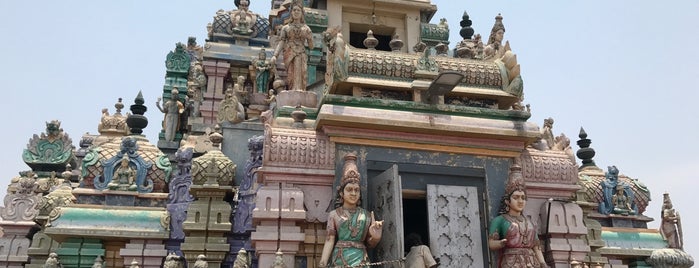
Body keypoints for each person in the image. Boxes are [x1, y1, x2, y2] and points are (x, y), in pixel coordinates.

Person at [319, 154, 383, 267]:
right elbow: (330, 240)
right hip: (340, 258)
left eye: (356, 190)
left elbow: (370, 244)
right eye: (349, 190)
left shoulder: (366, 215)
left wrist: (375, 237)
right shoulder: (334, 215)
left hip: (361, 258)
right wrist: (322, 263)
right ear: (341, 193)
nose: (353, 193)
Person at [488, 164, 547, 268]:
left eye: (523, 198)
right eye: (516, 197)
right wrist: (501, 243)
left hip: (531, 263)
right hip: (511, 263)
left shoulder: (529, 221)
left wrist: (543, 263)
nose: (520, 201)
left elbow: (536, 246)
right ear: (507, 201)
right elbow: (491, 244)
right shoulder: (500, 220)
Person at [271, 2, 314, 91]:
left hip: (301, 53)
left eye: (298, 10)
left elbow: (311, 46)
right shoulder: (286, 28)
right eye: (294, 10)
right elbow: (282, 42)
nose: (296, 12)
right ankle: (293, 90)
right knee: (291, 75)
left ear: (302, 13)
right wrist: (275, 55)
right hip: (290, 53)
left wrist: (310, 39)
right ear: (291, 13)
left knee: (302, 73)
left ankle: (299, 90)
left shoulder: (306, 29)